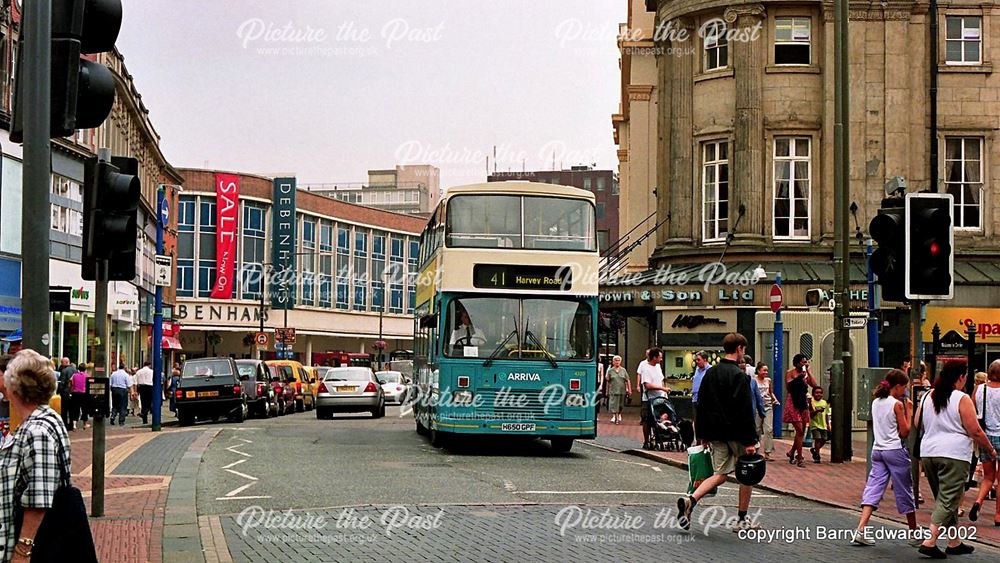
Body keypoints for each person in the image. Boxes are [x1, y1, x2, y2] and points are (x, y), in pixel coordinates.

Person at [677, 333, 759, 532]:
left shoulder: (711, 374)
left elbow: (702, 406)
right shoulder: (740, 376)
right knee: (746, 474)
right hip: (738, 433)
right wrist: (750, 440)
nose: (744, 353)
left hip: (715, 433)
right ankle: (741, 520)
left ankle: (691, 499)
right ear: (739, 348)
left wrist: (703, 435)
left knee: (720, 473)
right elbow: (744, 409)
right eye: (744, 350)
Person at [0, 349, 75, 563]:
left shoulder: (36, 431)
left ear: (14, 387)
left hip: (35, 546)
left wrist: (22, 552)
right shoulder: (46, 418)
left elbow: (37, 497)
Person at [917, 361, 997, 558]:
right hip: (954, 454)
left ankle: (954, 542)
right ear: (961, 377)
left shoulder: (928, 395)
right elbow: (975, 430)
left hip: (929, 452)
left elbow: (916, 422)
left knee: (944, 499)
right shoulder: (961, 398)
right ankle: (930, 540)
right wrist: (990, 449)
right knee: (948, 499)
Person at [852, 369, 921, 546]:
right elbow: (905, 431)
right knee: (905, 489)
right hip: (894, 450)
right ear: (897, 386)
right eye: (904, 387)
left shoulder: (876, 402)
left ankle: (861, 528)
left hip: (878, 450)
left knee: (874, 487)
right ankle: (913, 532)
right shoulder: (896, 404)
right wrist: (909, 411)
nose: (905, 391)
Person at [970, 360, 1000, 525]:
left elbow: (973, 408)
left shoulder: (980, 389)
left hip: (985, 436)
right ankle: (998, 515)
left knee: (988, 476)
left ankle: (978, 502)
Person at [783, 354, 818, 467]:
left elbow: (814, 385)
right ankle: (799, 457)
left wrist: (808, 371)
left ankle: (792, 452)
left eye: (805, 362)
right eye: (802, 362)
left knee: (801, 431)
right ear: (797, 363)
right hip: (793, 401)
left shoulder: (806, 373)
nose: (804, 364)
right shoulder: (790, 372)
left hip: (802, 402)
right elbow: (789, 386)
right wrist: (799, 378)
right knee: (799, 430)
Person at [638, 348, 669, 450]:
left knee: (660, 419)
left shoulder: (658, 367)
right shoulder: (646, 368)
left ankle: (658, 438)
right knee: (647, 419)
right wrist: (662, 388)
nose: (661, 359)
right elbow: (647, 385)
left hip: (660, 397)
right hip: (649, 399)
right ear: (654, 357)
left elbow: (661, 380)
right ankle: (646, 441)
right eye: (659, 357)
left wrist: (664, 392)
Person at [754, 363, 779, 461]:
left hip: (768, 405)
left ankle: (767, 452)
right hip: (757, 406)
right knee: (757, 429)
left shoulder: (768, 380)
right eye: (764, 370)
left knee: (769, 429)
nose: (766, 372)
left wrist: (775, 400)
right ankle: (756, 450)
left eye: (767, 370)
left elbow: (770, 392)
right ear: (758, 370)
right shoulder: (753, 380)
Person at [808, 387, 831, 463]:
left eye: (820, 393)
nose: (819, 394)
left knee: (824, 439)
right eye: (817, 393)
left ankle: (815, 449)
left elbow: (826, 414)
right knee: (817, 439)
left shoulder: (824, 402)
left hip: (823, 424)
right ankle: (817, 455)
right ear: (813, 394)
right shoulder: (812, 402)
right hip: (815, 424)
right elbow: (810, 414)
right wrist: (817, 411)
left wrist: (828, 424)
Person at [606, 355, 630, 424]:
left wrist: (629, 389)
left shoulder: (623, 370)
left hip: (622, 390)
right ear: (613, 362)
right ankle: (616, 418)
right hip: (613, 391)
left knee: (621, 405)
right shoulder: (610, 371)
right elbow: (608, 381)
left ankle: (619, 414)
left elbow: (627, 380)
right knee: (614, 405)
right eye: (615, 360)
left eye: (618, 360)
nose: (617, 362)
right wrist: (606, 391)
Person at [70, 363, 90, 431]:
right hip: (84, 394)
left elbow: (71, 383)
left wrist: (72, 389)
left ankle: (74, 425)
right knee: (85, 409)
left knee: (75, 409)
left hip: (75, 394)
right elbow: (88, 386)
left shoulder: (74, 375)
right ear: (85, 369)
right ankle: (85, 424)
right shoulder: (87, 376)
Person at [57, 357, 75, 429]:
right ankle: (71, 424)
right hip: (73, 392)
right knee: (72, 409)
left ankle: (65, 424)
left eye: (62, 362)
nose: (61, 364)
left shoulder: (64, 371)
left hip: (65, 393)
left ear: (66, 362)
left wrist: (59, 391)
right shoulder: (75, 370)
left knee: (64, 409)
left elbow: (62, 382)